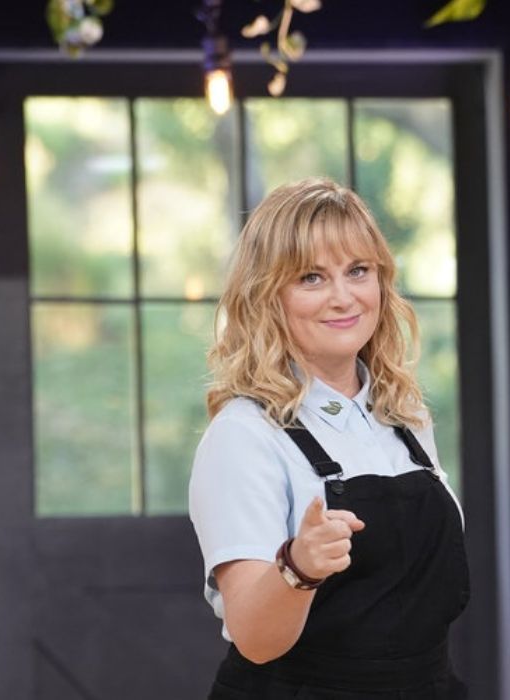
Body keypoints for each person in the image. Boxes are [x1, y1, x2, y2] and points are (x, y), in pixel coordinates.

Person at [189, 177, 469, 699]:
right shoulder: (244, 436)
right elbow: (254, 636)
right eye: (312, 278)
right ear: (267, 296)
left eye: (358, 271)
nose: (343, 298)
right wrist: (299, 567)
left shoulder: (404, 418)